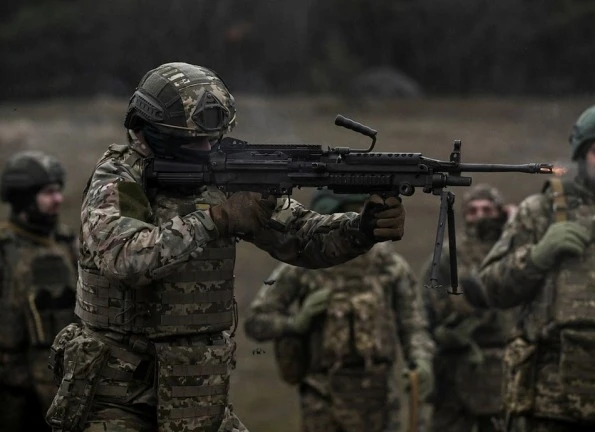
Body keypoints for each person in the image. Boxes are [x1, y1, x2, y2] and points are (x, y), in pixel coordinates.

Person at [45, 62, 406, 432]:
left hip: (198, 397)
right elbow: (126, 257)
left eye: (213, 138)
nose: (207, 148)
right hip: (118, 399)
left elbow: (302, 237)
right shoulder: (121, 178)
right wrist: (215, 220)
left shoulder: (224, 173)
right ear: (155, 132)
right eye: (194, 140)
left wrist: (361, 229)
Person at [244, 190, 434, 432]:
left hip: (379, 399)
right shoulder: (302, 265)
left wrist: (420, 360)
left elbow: (413, 323)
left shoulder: (389, 266)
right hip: (323, 399)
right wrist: (296, 323)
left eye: (358, 214)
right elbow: (256, 321)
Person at [464, 103, 595, 431]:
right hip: (551, 403)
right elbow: (491, 287)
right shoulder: (541, 212)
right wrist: (537, 256)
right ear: (582, 155)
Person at [420, 184, 515, 432]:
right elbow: (429, 308)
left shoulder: (513, 251)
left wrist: (515, 225)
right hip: (457, 364)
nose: (480, 216)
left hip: (506, 362)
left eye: (487, 209)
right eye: (473, 210)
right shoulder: (447, 256)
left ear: (500, 212)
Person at [0, 150, 77, 432]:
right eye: (48, 192)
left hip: (62, 387)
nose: (58, 199)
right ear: (23, 198)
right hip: (13, 393)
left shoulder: (67, 243)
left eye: (58, 191)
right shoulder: (5, 249)